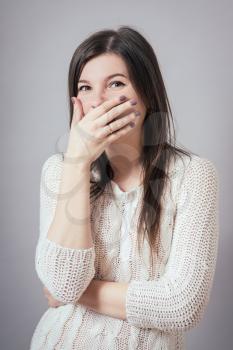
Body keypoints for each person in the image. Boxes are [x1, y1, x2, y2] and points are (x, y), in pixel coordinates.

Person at [30, 25, 219, 350]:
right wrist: (77, 161)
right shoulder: (59, 170)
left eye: (115, 83)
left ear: (147, 93)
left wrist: (81, 294)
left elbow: (182, 305)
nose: (98, 102)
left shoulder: (193, 175)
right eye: (85, 88)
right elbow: (63, 282)